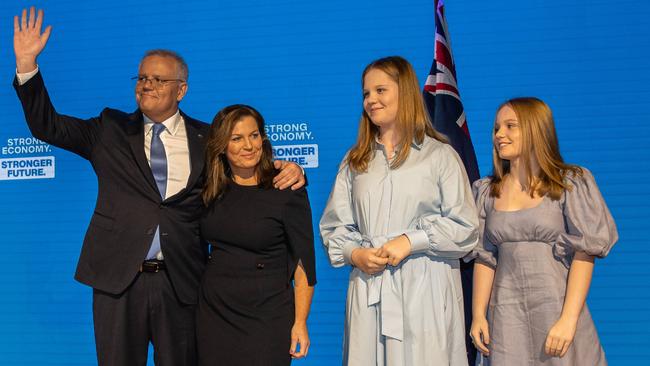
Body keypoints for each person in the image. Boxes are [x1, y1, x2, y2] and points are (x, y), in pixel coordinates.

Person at [12, 7, 304, 365]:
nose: (146, 84)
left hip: (182, 283)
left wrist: (286, 168)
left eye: (158, 80)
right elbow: (48, 126)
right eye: (141, 77)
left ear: (181, 89)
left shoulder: (208, 139)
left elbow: (246, 168)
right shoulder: (109, 129)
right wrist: (27, 66)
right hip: (117, 281)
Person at [319, 56, 479, 366]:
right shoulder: (356, 161)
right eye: (366, 93)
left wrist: (411, 241)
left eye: (381, 90)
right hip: (369, 288)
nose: (371, 100)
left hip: (425, 287)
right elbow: (335, 227)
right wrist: (355, 254)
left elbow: (466, 228)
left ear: (404, 92)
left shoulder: (439, 155)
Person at [468, 97, 618, 365]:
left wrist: (568, 320)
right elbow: (485, 258)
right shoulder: (486, 191)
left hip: (556, 312)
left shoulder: (570, 183)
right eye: (496, 128)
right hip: (505, 320)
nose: (500, 134)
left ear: (536, 128)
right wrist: (478, 315)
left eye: (510, 126)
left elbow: (586, 253)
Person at [197, 104, 316, 365]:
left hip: (268, 317)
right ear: (221, 145)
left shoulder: (286, 186)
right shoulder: (209, 189)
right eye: (236, 138)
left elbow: (302, 263)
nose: (248, 146)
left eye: (254, 135)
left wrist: (300, 322)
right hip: (214, 315)